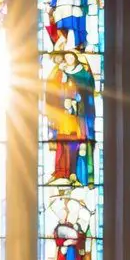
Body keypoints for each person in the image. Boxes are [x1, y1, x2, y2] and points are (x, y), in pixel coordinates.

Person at [45, 50, 95, 186]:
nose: (68, 59)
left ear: (75, 58)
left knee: (75, 144)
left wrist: (75, 100)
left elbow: (88, 90)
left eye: (70, 56)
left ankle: (73, 173)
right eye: (66, 57)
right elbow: (53, 90)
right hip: (63, 118)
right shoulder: (61, 72)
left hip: (77, 116)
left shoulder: (82, 72)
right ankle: (60, 171)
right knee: (62, 143)